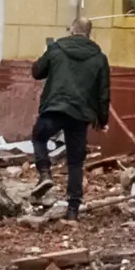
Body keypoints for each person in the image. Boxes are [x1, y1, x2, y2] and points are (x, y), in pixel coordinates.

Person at [27, 18, 111, 215]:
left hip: (54, 108)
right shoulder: (100, 58)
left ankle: (45, 173)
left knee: (39, 137)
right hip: (80, 114)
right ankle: (73, 209)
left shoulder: (56, 49)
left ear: (72, 30)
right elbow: (103, 92)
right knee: (75, 161)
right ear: (89, 34)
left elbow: (37, 72)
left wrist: (45, 53)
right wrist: (103, 120)